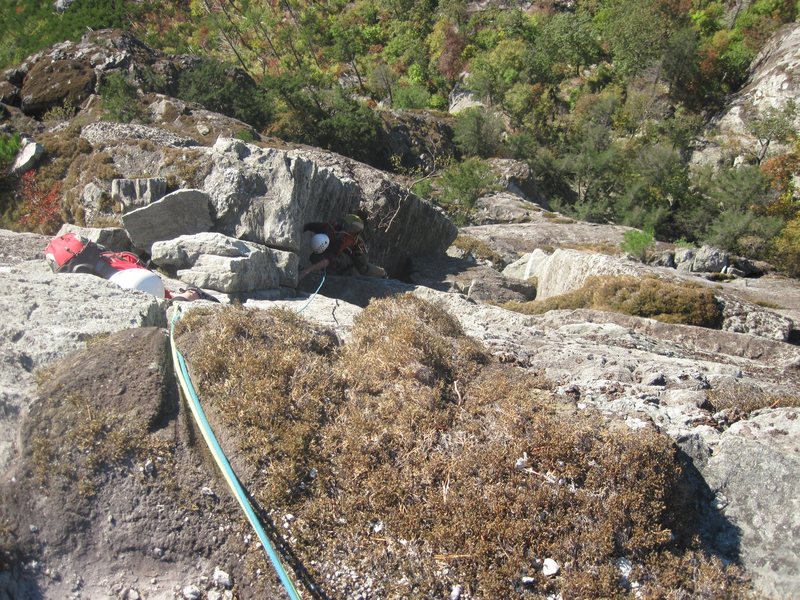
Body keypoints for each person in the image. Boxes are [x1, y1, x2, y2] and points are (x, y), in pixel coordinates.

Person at [298, 214, 386, 282]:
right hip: (341, 245)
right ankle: (343, 269)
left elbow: (327, 260)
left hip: (357, 251)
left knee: (363, 268)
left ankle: (382, 273)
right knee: (315, 258)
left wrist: (306, 271)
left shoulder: (344, 240)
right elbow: (310, 226)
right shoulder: (331, 227)